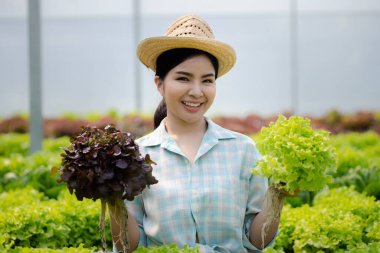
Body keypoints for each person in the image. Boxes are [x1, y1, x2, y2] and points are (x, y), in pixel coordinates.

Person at [110, 15, 284, 253]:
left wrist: (277, 195)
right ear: (159, 84)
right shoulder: (137, 156)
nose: (196, 91)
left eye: (207, 80)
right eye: (183, 78)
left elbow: (257, 242)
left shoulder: (243, 150)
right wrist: (111, 200)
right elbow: (129, 247)